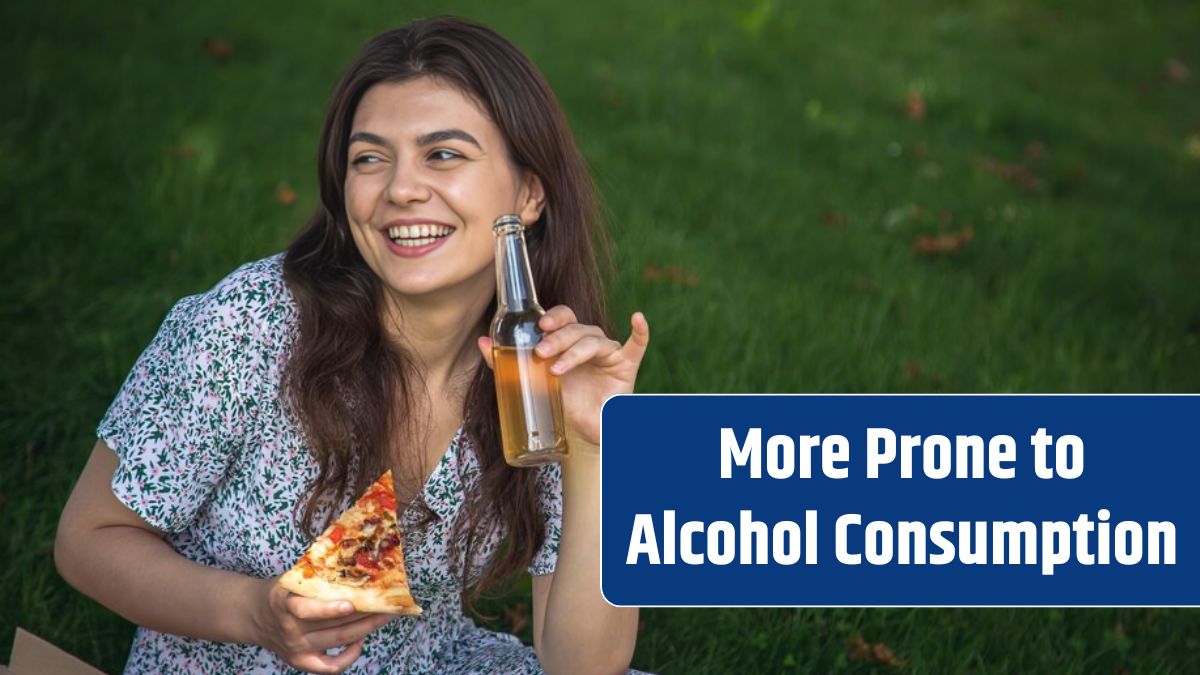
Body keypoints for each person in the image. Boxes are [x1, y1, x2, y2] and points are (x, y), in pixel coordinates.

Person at [54, 17, 649, 675]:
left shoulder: (538, 372)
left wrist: (595, 454)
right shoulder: (252, 325)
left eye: (443, 154)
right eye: (370, 158)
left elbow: (584, 667)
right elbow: (88, 539)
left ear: (530, 192)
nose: (399, 189)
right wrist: (257, 612)